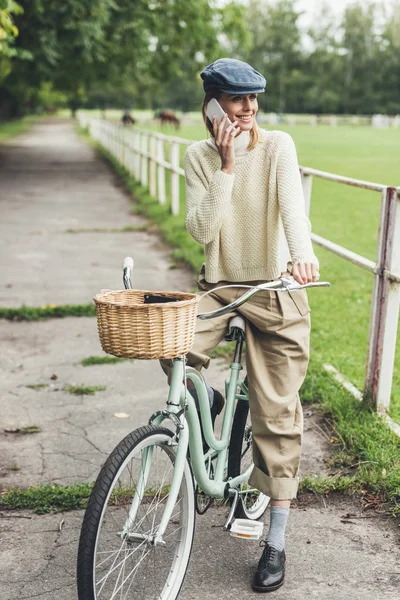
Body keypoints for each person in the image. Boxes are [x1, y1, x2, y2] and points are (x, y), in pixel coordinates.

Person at [162, 57, 319, 592]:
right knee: (172, 349)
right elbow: (202, 231)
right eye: (236, 99)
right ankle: (209, 402)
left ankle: (274, 540)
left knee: (277, 415)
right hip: (221, 287)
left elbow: (293, 211)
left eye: (254, 98)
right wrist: (227, 167)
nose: (248, 109)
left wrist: (303, 258)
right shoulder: (198, 156)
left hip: (274, 287)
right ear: (212, 106)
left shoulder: (278, 146)